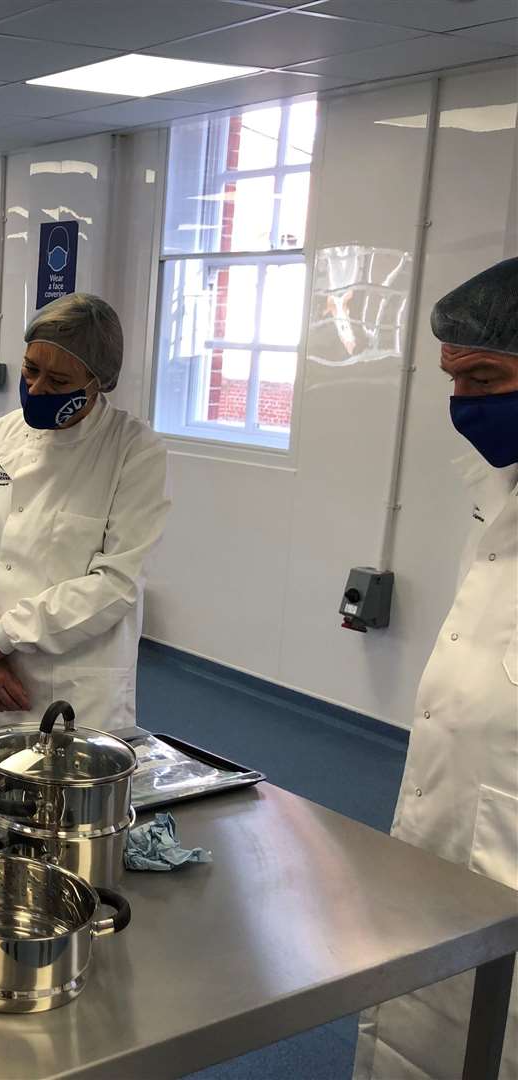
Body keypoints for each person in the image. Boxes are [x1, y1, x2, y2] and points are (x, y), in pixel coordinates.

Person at [353, 257, 518, 1080]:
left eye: (485, 377)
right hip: (450, 830)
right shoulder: (501, 497)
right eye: (455, 381)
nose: (465, 406)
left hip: (505, 854)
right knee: (422, 1026)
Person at [0, 293, 170, 742]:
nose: (38, 388)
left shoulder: (133, 452)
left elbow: (117, 582)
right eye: (30, 370)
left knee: (65, 807)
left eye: (59, 380)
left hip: (74, 684)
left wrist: (3, 636)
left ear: (97, 382)